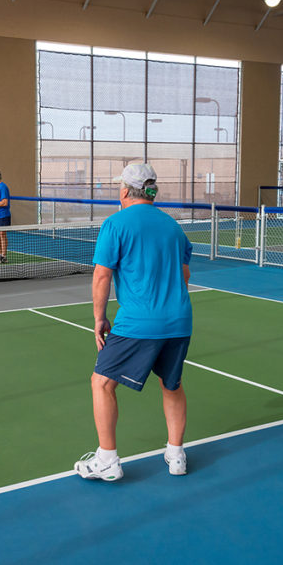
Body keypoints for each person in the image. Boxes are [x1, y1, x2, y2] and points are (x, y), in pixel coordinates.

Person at [74, 163, 193, 481]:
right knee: (172, 385)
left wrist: (99, 318)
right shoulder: (173, 227)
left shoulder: (115, 224)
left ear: (125, 190)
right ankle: (176, 454)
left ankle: (107, 460)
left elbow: (102, 275)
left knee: (101, 382)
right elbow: (184, 274)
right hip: (179, 320)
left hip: (139, 322)